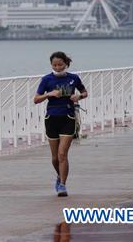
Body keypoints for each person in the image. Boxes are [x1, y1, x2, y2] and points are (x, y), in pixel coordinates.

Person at [34, 51, 87, 197]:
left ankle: (63, 185)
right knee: (55, 158)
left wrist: (79, 96)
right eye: (54, 65)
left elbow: (84, 92)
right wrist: (48, 94)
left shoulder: (73, 78)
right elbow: (36, 99)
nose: (57, 67)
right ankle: (59, 176)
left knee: (62, 154)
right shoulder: (46, 80)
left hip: (68, 117)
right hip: (51, 118)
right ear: (51, 65)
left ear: (66, 64)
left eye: (60, 65)